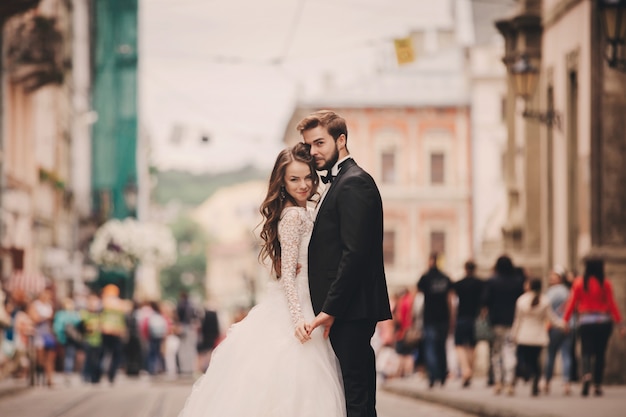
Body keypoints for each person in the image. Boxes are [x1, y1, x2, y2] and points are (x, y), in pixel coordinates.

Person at [178, 143, 345, 417]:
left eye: (307, 177)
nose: (303, 185)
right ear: (282, 182)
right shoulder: (293, 216)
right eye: (294, 179)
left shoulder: (305, 210)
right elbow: (288, 276)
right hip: (300, 307)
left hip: (309, 300)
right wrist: (297, 319)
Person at [298, 110, 392, 417]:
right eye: (309, 145)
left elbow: (355, 254)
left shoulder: (354, 183)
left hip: (351, 310)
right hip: (346, 309)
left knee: (356, 397)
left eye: (319, 143)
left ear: (341, 139)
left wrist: (330, 309)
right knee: (355, 394)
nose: (313, 152)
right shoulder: (340, 182)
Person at [563, 257, 625, 397]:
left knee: (586, 351)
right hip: (603, 322)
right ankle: (597, 384)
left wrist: (565, 321)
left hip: (586, 322)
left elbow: (571, 303)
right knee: (600, 353)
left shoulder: (579, 283)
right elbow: (612, 304)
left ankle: (586, 375)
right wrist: (620, 324)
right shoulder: (605, 283)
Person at [510, 278, 564, 396]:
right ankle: (535, 379)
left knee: (522, 360)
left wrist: (514, 334)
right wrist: (562, 325)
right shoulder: (545, 300)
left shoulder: (521, 300)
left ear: (529, 286)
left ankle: (525, 375)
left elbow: (517, 320)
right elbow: (552, 318)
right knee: (535, 361)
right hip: (538, 336)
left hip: (524, 336)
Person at [482, 255, 525, 395]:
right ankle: (509, 381)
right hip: (514, 321)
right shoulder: (518, 281)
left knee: (496, 353)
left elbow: (485, 301)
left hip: (496, 322)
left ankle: (498, 382)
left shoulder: (492, 281)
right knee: (510, 351)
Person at [416, 252, 454, 388]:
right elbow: (450, 300)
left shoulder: (425, 277)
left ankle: (432, 377)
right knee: (441, 348)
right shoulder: (445, 278)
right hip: (443, 317)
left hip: (430, 318)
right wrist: (451, 318)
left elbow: (418, 292)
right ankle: (442, 376)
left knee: (430, 348)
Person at [453, 260, 484, 388]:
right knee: (472, 346)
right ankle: (469, 370)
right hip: (475, 318)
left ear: (465, 269)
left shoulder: (459, 284)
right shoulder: (480, 284)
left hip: (461, 317)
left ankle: (466, 369)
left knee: (459, 345)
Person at [543, 267, 574, 395]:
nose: (551, 278)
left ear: (559, 278)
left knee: (551, 354)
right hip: (568, 325)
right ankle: (566, 382)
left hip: (555, 326)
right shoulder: (568, 291)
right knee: (566, 354)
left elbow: (545, 308)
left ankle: (547, 382)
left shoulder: (551, 292)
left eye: (553, 276)